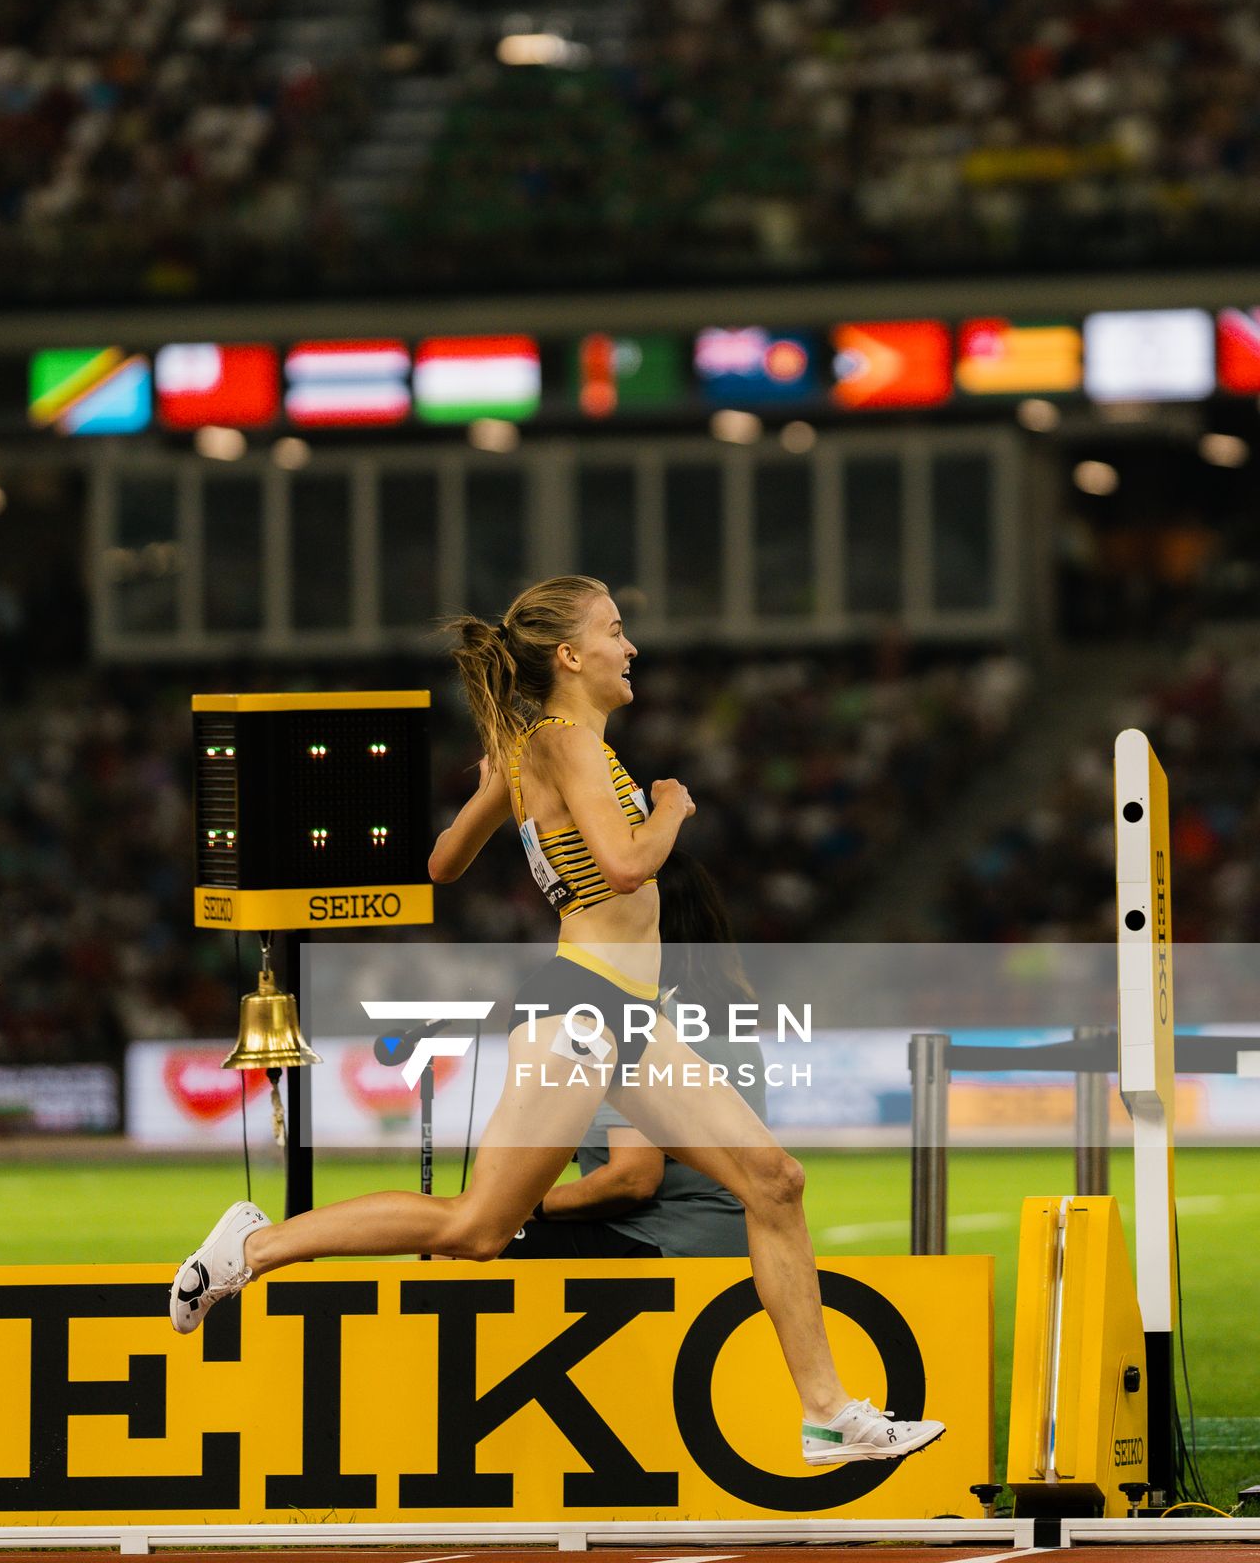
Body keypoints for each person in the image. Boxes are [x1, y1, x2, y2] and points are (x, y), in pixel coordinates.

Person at [170, 575, 944, 1470]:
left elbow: (441, 862)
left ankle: (827, 1415)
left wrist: (502, 785)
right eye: (616, 631)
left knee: (774, 1181)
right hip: (582, 1009)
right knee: (476, 1230)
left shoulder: (540, 742)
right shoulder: (569, 739)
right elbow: (621, 868)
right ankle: (252, 1248)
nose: (632, 647)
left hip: (627, 1016)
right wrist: (670, 812)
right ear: (571, 655)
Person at [503, 850, 758, 1258]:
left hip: (667, 1239)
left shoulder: (640, 1018)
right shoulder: (730, 1018)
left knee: (463, 1250)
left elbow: (631, 1179)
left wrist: (523, 1209)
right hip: (735, 1239)